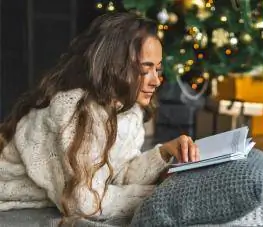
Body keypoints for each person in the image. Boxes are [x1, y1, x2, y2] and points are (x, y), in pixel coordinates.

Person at [0, 12, 199, 222]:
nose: (156, 80)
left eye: (157, 69)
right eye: (144, 69)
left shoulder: (129, 112)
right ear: (115, 66)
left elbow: (119, 175)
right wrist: (158, 194)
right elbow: (84, 203)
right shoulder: (75, 111)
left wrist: (165, 153)